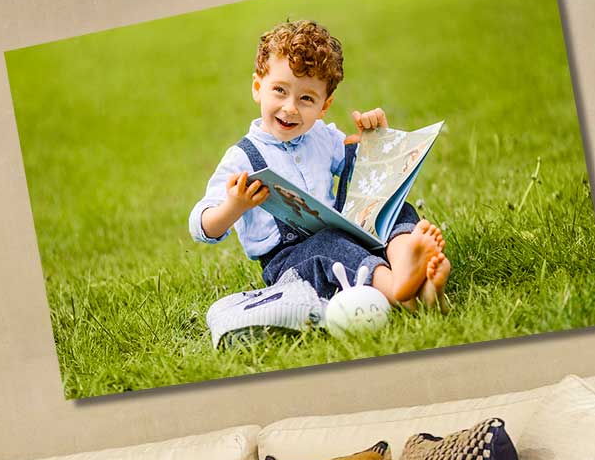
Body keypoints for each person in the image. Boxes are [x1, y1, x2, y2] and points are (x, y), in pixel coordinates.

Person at [189, 19, 451, 310]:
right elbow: (201, 225)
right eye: (279, 90)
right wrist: (234, 207)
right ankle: (399, 290)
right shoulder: (242, 158)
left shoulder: (323, 137)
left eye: (306, 98)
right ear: (257, 87)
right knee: (330, 246)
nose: (290, 107)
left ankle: (410, 268)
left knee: (395, 208)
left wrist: (376, 138)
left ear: (324, 106)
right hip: (294, 263)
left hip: (346, 237)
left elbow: (366, 173)